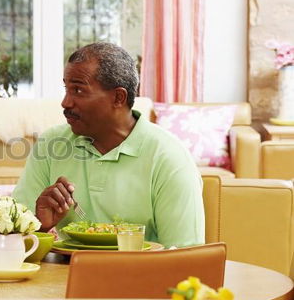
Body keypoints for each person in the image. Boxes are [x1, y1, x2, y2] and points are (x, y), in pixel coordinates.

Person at [12, 42, 204, 248]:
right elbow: (10, 242)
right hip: (65, 276)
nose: (66, 103)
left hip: (144, 277)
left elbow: (186, 255)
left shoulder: (168, 157)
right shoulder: (51, 145)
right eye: (66, 89)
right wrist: (38, 226)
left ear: (118, 97)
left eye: (78, 90)